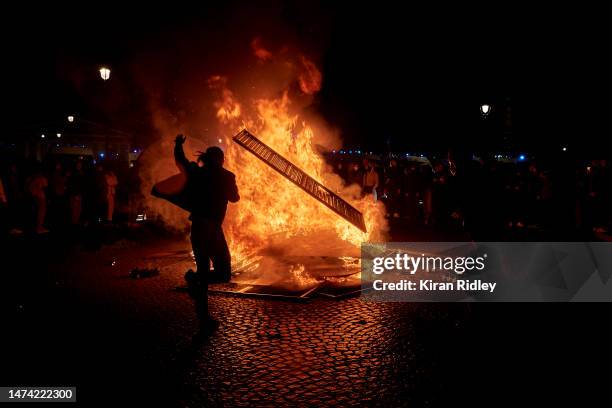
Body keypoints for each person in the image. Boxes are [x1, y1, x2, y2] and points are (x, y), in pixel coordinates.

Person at [173, 134, 239, 332]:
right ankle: (196, 285)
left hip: (199, 227)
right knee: (224, 273)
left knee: (203, 271)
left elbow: (182, 162)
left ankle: (203, 314)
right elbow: (235, 198)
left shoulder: (198, 173)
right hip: (211, 229)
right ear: (221, 159)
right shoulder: (227, 176)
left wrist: (178, 145)